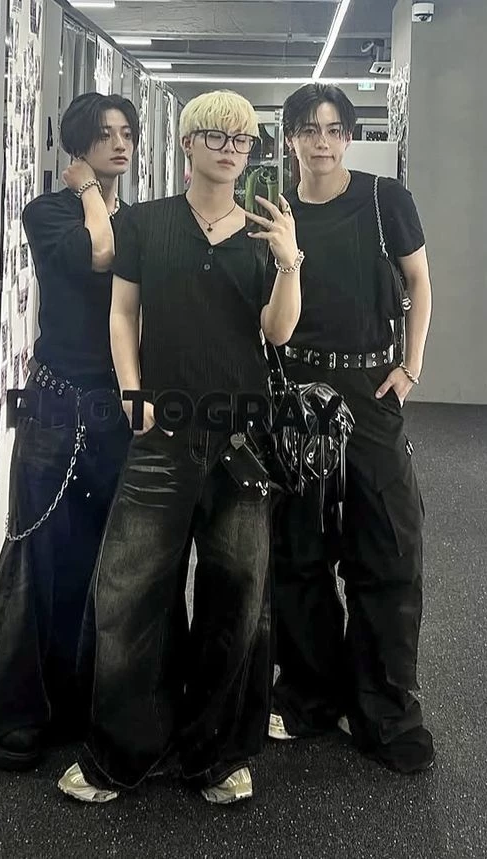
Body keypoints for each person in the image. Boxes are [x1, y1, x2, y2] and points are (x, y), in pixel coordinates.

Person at [59, 90, 303, 805]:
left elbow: (278, 332)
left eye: (242, 140)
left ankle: (216, 752)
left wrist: (290, 263)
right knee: (129, 592)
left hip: (241, 440)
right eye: (216, 136)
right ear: (188, 143)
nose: (231, 149)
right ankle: (120, 752)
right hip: (161, 433)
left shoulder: (263, 234)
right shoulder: (145, 223)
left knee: (237, 597)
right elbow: (122, 312)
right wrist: (131, 389)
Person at [267, 84, 435, 774]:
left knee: (389, 546)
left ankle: (385, 708)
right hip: (297, 391)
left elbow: (419, 282)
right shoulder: (276, 212)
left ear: (349, 137)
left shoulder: (383, 199)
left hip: (370, 388)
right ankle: (310, 695)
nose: (323, 141)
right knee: (298, 552)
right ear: (290, 138)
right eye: (309, 129)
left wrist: (411, 367)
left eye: (335, 129)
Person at [0, 92, 140, 771]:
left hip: (115, 408)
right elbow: (99, 254)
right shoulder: (48, 213)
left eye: (126, 133)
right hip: (55, 404)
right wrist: (88, 190)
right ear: (78, 146)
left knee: (110, 561)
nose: (120, 144)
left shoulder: (139, 219)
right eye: (104, 135)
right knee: (39, 555)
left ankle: (87, 704)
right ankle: (17, 715)